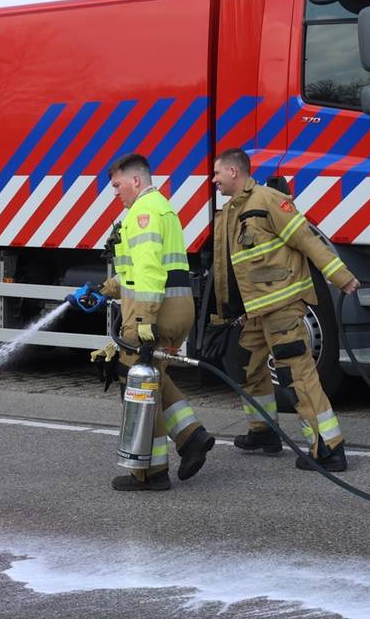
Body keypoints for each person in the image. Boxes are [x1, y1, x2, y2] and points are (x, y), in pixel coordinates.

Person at [210, 149, 359, 471]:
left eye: (217, 173)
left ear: (234, 172)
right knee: (245, 368)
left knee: (297, 375)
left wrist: (341, 277)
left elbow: (306, 239)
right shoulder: (230, 212)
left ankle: (329, 448)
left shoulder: (269, 201)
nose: (214, 179)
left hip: (281, 308)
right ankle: (263, 431)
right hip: (253, 312)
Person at [82, 153, 215, 491]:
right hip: (176, 308)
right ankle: (191, 436)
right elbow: (135, 273)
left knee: (135, 383)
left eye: (117, 185)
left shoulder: (142, 212)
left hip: (155, 312)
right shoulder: (161, 207)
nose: (114, 192)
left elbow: (149, 273)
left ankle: (150, 473)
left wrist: (140, 321)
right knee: (154, 378)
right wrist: (104, 290)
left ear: (136, 181)